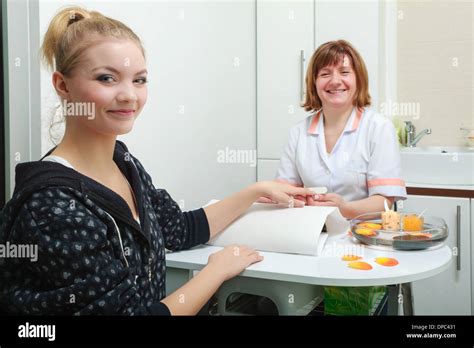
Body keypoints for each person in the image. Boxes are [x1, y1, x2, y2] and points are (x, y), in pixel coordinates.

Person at [0, 6, 313, 315]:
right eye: (107, 78)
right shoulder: (52, 206)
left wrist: (254, 192)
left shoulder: (124, 163)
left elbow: (177, 229)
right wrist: (215, 272)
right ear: (62, 85)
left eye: (139, 80)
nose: (129, 96)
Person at [276, 40, 407, 218]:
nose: (335, 81)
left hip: (362, 234)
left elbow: (385, 201)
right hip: (311, 231)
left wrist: (344, 208)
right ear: (314, 82)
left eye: (344, 72)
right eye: (325, 74)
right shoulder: (298, 133)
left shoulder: (379, 128)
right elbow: (284, 193)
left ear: (358, 80)